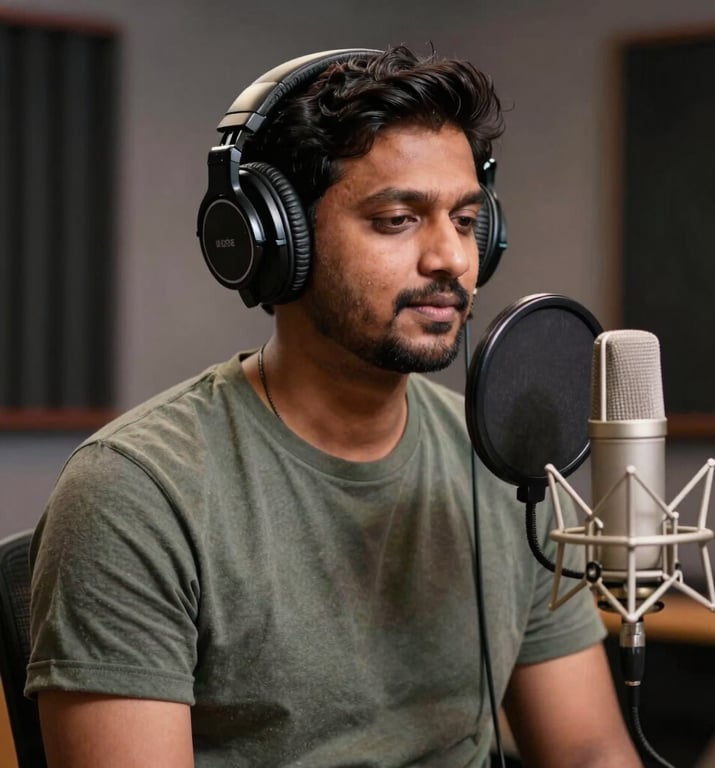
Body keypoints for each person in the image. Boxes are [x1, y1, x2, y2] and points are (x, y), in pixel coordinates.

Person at [26, 46, 642, 767]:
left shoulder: (501, 461)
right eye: (396, 220)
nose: (451, 259)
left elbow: (592, 750)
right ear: (273, 239)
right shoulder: (136, 493)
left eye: (468, 220)